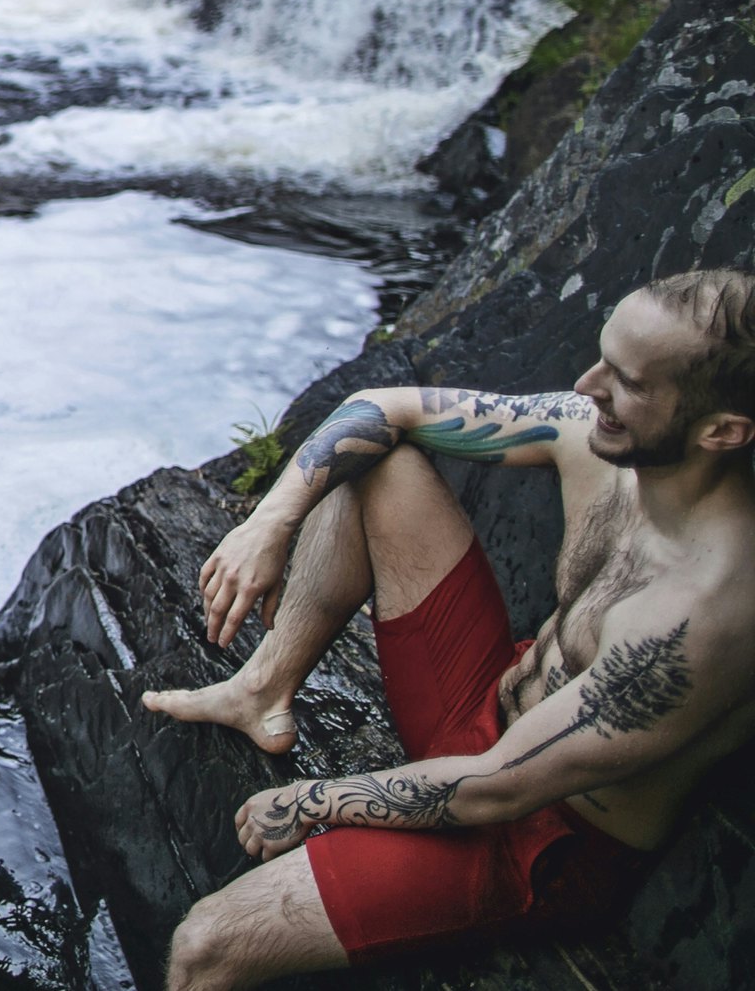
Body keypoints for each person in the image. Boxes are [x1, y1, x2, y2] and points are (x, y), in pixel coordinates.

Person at [139, 269, 755, 988]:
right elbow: (380, 408)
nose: (586, 386)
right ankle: (261, 689)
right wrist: (268, 523)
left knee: (205, 945)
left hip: (537, 832)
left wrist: (311, 799)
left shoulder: (703, 613)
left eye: (627, 381)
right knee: (377, 461)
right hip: (492, 700)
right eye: (600, 357)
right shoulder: (591, 432)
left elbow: (497, 788)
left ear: (722, 431)